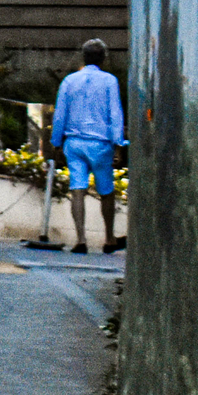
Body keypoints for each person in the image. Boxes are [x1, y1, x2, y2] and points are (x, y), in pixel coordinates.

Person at [48, 38, 127, 254]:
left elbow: (60, 114)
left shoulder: (69, 81)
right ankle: (109, 238)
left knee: (78, 189)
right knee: (106, 191)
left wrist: (56, 142)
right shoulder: (110, 81)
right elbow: (115, 114)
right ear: (103, 58)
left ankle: (81, 239)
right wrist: (118, 143)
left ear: (84, 57)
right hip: (101, 144)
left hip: (74, 143)